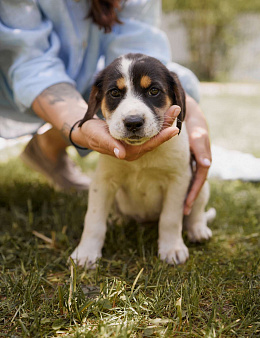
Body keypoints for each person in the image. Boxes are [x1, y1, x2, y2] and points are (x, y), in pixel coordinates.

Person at [0, 0, 211, 215]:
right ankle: (48, 146)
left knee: (186, 88)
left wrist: (189, 108)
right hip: (9, 82)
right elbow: (30, 64)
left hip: (85, 77)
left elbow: (136, 56)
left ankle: (46, 146)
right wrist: (78, 126)